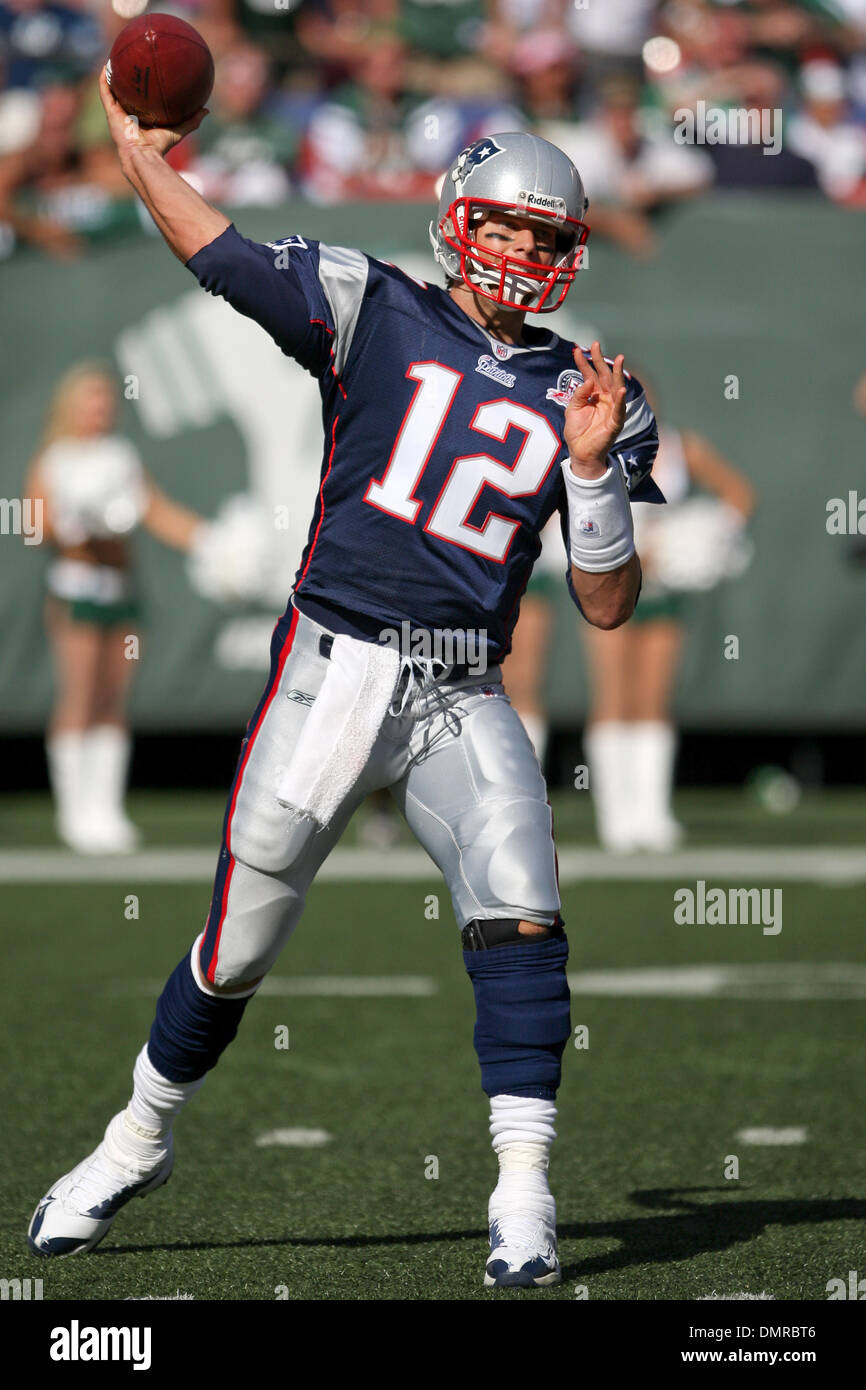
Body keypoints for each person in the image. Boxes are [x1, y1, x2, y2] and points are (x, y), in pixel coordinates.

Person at [27, 88, 661, 1289]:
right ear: (455, 219)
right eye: (506, 227)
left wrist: (589, 473)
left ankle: (521, 1190)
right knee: (237, 947)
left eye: (546, 237)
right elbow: (214, 249)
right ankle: (136, 1135)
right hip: (335, 665)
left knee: (523, 909)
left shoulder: (595, 394)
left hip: (463, 690)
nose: (525, 252)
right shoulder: (373, 306)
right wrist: (130, 151)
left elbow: (607, 604)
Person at [24, 363, 215, 854]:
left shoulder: (121, 454)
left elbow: (156, 511)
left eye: (106, 399)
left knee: (113, 700)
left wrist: (211, 540)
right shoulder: (55, 458)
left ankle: (105, 811)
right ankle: (74, 812)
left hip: (121, 593)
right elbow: (32, 526)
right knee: (80, 696)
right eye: (90, 399)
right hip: (77, 592)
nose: (100, 408)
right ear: (71, 405)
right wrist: (74, 524)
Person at [582, 398, 756, 852]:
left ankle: (652, 815)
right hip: (612, 585)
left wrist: (698, 538)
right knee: (613, 696)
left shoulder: (681, 446)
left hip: (663, 589)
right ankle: (615, 818)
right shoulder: (591, 449)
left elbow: (739, 494)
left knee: (654, 698)